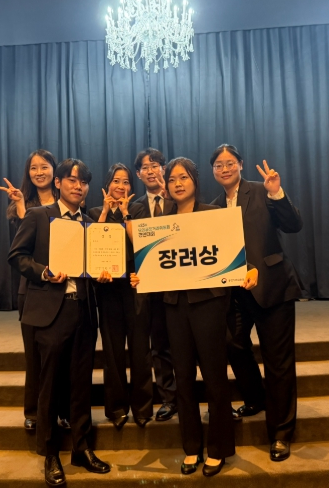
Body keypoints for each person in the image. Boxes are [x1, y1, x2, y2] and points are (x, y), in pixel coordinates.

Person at [130, 157, 258, 477]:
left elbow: (234, 254)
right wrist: (141, 276)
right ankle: (191, 447)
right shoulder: (161, 221)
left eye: (183, 177)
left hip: (209, 305)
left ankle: (218, 449)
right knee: (183, 378)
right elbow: (153, 264)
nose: (177, 184)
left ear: (195, 181)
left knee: (215, 379)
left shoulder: (214, 214)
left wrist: (249, 270)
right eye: (172, 179)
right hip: (174, 307)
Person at [8, 159, 111, 487]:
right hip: (51, 312)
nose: (78, 187)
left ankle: (81, 448)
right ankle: (50, 453)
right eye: (72, 180)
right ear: (59, 183)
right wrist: (44, 272)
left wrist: (104, 274)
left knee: (81, 384)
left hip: (84, 312)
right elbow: (17, 256)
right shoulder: (39, 216)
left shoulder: (91, 222)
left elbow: (97, 265)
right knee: (50, 385)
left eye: (84, 182)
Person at [209, 144, 303, 462]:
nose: (224, 168)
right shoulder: (212, 208)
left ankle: (280, 433)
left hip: (273, 288)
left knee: (278, 362)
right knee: (231, 344)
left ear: (240, 164)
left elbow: (293, 225)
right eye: (218, 165)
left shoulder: (262, 191)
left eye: (229, 163)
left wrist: (277, 193)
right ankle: (257, 398)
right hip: (236, 293)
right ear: (212, 171)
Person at [0, 150, 70, 432]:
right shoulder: (23, 205)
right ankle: (34, 412)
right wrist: (19, 204)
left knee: (62, 357)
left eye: (44, 167)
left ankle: (62, 410)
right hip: (33, 289)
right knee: (35, 357)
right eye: (33, 168)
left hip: (66, 290)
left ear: (55, 171)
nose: (39, 172)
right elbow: (24, 244)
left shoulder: (69, 200)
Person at [87, 163, 154, 429]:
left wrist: (126, 213)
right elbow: (92, 245)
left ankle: (142, 408)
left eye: (126, 182)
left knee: (140, 349)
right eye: (116, 181)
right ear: (107, 185)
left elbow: (141, 244)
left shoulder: (138, 210)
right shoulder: (94, 212)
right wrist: (106, 211)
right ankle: (116, 408)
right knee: (112, 351)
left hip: (135, 286)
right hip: (107, 289)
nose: (121, 186)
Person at [131, 148, 178, 422]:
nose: (150, 171)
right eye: (145, 167)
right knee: (157, 344)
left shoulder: (179, 200)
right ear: (138, 174)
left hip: (178, 285)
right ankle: (169, 397)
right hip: (146, 288)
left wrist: (169, 196)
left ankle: (189, 394)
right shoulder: (133, 207)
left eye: (155, 165)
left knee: (182, 344)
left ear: (164, 169)